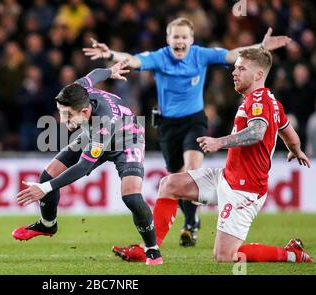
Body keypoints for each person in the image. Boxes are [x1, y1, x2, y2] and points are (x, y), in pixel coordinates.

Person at [83, 17, 292, 253]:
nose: (180, 41)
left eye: (184, 37)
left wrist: (261, 47)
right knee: (174, 178)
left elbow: (233, 55)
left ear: (191, 40)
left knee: (192, 169)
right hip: (168, 126)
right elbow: (132, 60)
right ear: (168, 39)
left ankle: (190, 224)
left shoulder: (200, 55)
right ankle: (177, 229)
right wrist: (110, 53)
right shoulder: (160, 57)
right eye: (176, 37)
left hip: (194, 121)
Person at [122, 48, 313, 263]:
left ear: (259, 75)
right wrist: (295, 150)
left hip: (244, 190)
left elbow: (258, 132)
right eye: (235, 68)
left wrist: (219, 142)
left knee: (225, 256)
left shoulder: (259, 101)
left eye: (241, 68)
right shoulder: (270, 102)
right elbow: (289, 133)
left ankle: (292, 254)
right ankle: (148, 249)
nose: (234, 72)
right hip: (227, 177)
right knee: (169, 184)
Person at [13, 59, 163, 265]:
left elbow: (83, 167)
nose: (62, 119)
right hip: (92, 135)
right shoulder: (78, 89)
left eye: (67, 114)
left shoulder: (104, 121)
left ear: (84, 111)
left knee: (132, 197)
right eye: (60, 112)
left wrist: (45, 189)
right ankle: (48, 225)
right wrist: (110, 70)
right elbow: (95, 74)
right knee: (48, 174)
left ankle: (152, 249)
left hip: (128, 140)